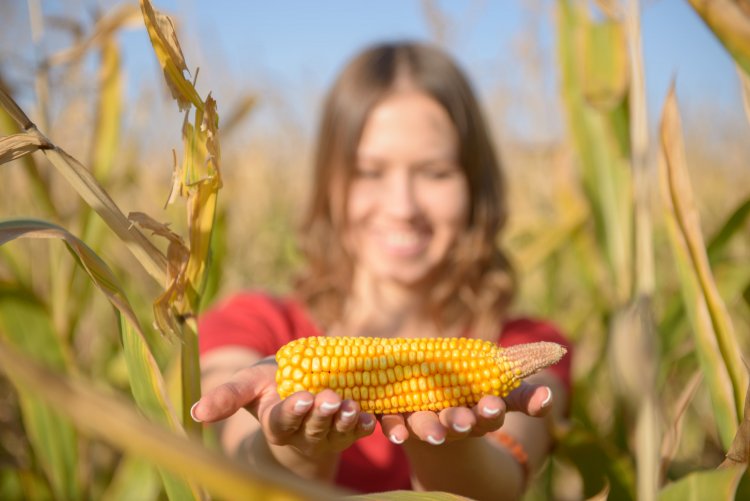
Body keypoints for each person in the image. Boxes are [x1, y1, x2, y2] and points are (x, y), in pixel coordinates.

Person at [190, 41, 572, 500]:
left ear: (475, 186)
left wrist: (446, 444)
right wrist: (299, 450)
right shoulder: (252, 325)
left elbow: (504, 482)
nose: (402, 206)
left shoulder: (525, 345)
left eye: (434, 172)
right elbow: (242, 466)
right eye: (370, 172)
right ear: (329, 185)